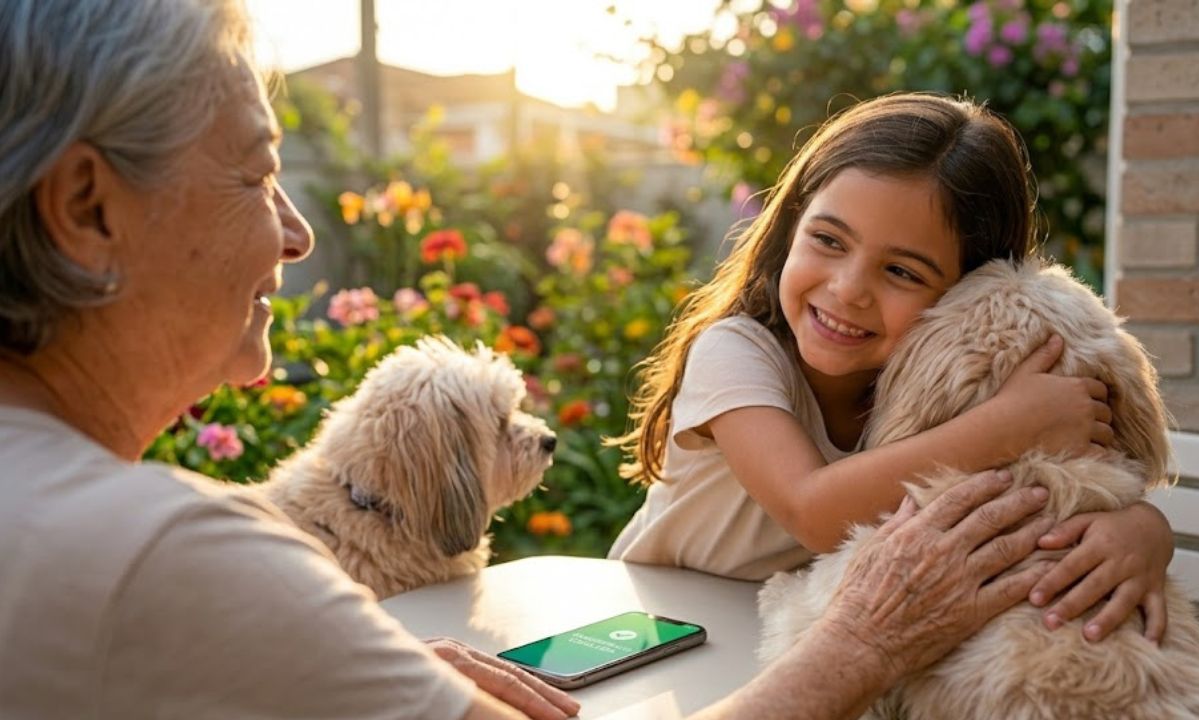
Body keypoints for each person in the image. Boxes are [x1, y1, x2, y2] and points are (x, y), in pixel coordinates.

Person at [0, 2, 1067, 718]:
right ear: (88, 208)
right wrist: (863, 650)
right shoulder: (168, 558)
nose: (297, 233)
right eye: (255, 172)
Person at [609, 93, 1174, 644]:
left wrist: (1146, 531)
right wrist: (1008, 426)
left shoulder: (951, 387)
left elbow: (1066, 487)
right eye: (829, 240)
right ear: (791, 226)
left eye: (902, 272)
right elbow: (813, 509)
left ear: (969, 290)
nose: (848, 289)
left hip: (792, 646)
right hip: (655, 630)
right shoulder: (735, 352)